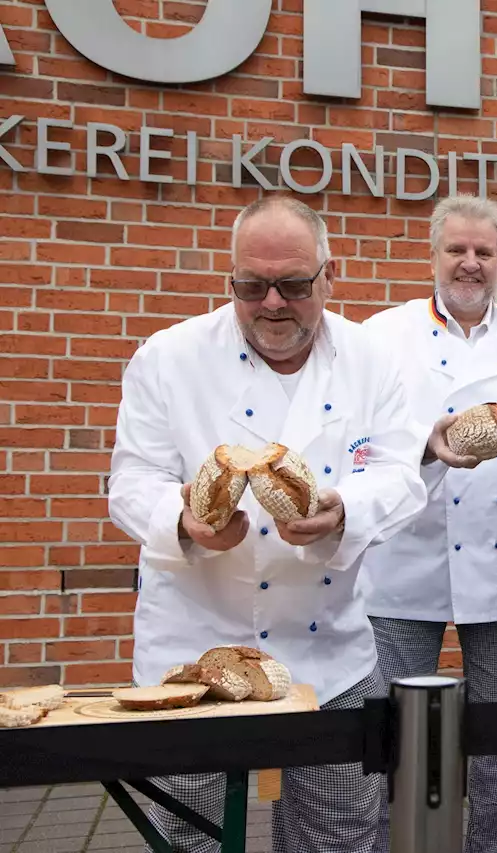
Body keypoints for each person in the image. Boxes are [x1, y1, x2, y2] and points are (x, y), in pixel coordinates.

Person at [107, 196, 430, 853]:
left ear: (329, 275)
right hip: (191, 649)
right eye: (251, 286)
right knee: (188, 836)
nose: (272, 303)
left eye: (293, 284)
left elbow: (401, 475)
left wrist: (346, 510)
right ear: (230, 279)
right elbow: (130, 482)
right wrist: (183, 520)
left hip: (331, 651)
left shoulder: (375, 360)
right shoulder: (169, 358)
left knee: (338, 834)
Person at [358, 193, 497, 853]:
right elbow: (359, 437)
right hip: (404, 559)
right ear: (434, 255)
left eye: (483, 252)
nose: (470, 263)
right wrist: (425, 445)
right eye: (457, 250)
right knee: (397, 737)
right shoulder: (384, 333)